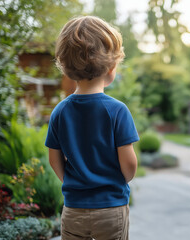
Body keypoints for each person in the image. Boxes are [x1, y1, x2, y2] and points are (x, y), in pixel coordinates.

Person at [45, 16, 139, 240]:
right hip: (111, 209)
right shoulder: (117, 111)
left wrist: (72, 183)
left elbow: (54, 159)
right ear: (111, 68)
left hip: (73, 209)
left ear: (66, 68)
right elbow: (129, 164)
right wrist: (116, 182)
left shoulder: (60, 111)